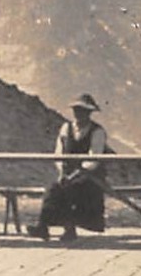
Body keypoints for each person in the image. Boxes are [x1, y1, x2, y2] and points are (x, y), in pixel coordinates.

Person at [30, 94, 109, 243]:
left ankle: (64, 228)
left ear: (89, 113)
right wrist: (62, 172)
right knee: (54, 188)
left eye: (83, 110)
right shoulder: (66, 128)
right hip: (68, 174)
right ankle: (45, 226)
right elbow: (59, 153)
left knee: (68, 189)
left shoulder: (97, 132)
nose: (79, 114)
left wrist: (76, 174)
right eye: (76, 110)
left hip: (90, 177)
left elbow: (93, 159)